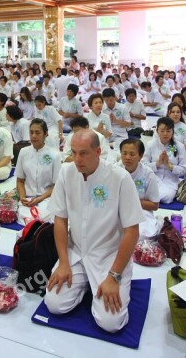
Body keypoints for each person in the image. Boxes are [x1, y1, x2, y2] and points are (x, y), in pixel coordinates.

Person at [44, 130, 144, 333]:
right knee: (54, 304)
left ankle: (108, 282)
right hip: (77, 252)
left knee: (111, 323)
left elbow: (132, 231)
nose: (77, 159)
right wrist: (63, 263)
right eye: (74, 153)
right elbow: (60, 220)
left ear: (98, 151)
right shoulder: (66, 172)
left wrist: (114, 276)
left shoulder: (120, 178)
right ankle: (85, 286)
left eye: (83, 153)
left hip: (108, 257)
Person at [14, 119, 61, 224]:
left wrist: (39, 199)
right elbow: (20, 180)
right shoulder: (23, 152)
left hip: (46, 198)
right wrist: (22, 198)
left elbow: (56, 186)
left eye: (38, 132)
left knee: (43, 216)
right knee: (24, 217)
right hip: (28, 198)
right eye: (31, 132)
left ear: (45, 134)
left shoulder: (55, 155)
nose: (34, 136)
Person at [119, 138, 160, 238]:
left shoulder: (148, 173)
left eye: (132, 154)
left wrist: (131, 201)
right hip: (118, 211)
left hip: (141, 211)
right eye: (124, 153)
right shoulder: (115, 170)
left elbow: (154, 205)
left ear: (140, 156)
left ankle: (159, 222)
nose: (127, 157)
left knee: (141, 234)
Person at [142, 117, 186, 203]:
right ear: (157, 131)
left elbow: (185, 168)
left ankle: (150, 198)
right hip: (153, 178)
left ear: (172, 132)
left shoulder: (179, 146)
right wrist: (157, 163)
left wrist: (170, 166)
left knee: (167, 197)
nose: (165, 134)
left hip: (170, 180)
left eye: (168, 131)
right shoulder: (150, 145)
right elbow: (143, 165)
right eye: (162, 131)